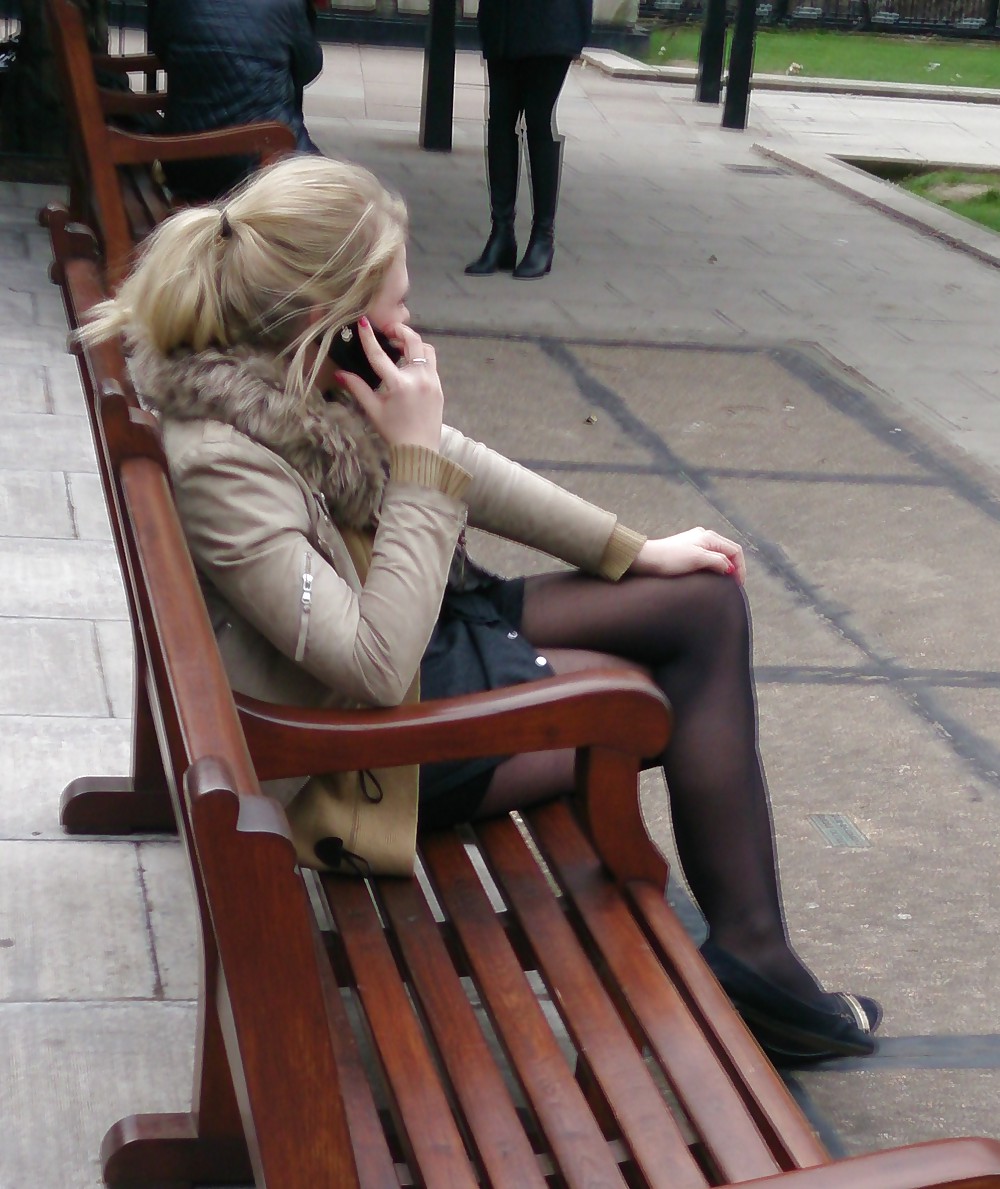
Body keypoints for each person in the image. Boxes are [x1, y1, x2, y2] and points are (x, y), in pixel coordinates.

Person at [82, 155, 880, 1062]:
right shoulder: (222, 464)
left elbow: (463, 461)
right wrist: (416, 460)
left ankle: (753, 957)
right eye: (398, 306)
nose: (413, 327)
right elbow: (376, 668)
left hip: (420, 642)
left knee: (699, 603)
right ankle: (754, 969)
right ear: (329, 322)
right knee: (640, 701)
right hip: (366, 758)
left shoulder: (284, 378)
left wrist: (631, 549)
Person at [146, 0, 323, 200]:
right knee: (345, 197)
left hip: (184, 163)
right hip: (264, 162)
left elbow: (161, 50)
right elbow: (308, 69)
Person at [466, 0, 590, 280]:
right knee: (500, 116)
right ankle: (501, 234)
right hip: (505, 18)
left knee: (539, 119)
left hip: (553, 17)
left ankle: (543, 237)